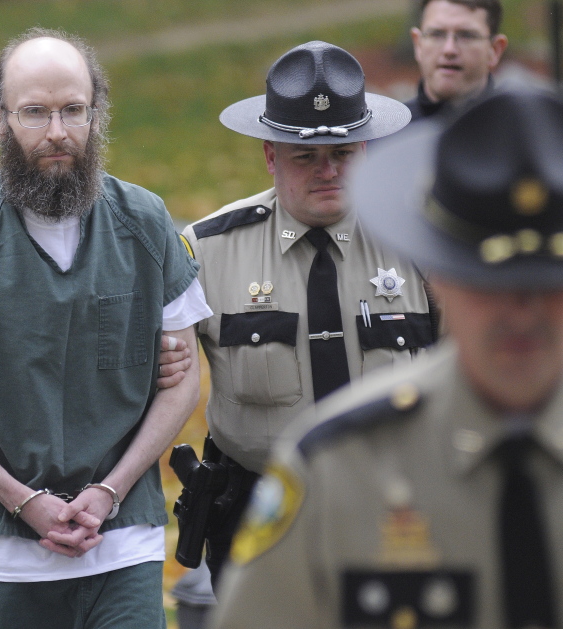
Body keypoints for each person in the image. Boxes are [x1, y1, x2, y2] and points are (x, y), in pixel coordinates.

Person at [209, 87, 563, 628]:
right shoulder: (338, 464)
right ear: (440, 277)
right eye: (489, 283)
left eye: (548, 283)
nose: (521, 311)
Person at [0, 28, 211, 628]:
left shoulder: (146, 223)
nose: (57, 132)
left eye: (73, 110)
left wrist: (110, 492)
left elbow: (183, 378)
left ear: (97, 115)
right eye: (34, 112)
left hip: (121, 546)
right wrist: (23, 501)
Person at [181, 40, 436, 583]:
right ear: (270, 155)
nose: (328, 171)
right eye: (305, 157)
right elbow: (161, 381)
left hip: (400, 504)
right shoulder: (208, 251)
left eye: (343, 153)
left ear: (365, 149)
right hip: (258, 510)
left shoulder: (418, 239)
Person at [406, 0, 508, 121]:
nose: (449, 49)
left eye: (466, 35)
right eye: (436, 34)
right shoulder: (389, 133)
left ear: (495, 50)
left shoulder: (523, 134)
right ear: (418, 45)